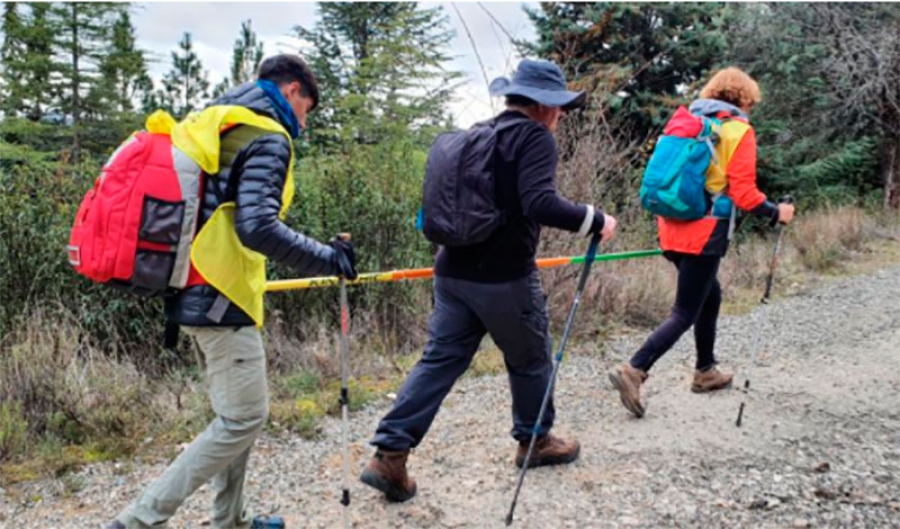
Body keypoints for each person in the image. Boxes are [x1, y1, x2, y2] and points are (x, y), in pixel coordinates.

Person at [108, 54, 357, 529]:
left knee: (235, 416)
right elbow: (257, 227)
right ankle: (138, 521)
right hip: (221, 294)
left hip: (193, 290)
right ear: (291, 92)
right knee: (242, 419)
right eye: (308, 107)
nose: (305, 120)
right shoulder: (268, 134)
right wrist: (328, 258)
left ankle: (231, 520)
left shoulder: (217, 123)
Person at [359, 59, 618, 503]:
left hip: (451, 272)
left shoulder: (474, 134)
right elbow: (541, 203)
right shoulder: (533, 136)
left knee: (439, 361)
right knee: (531, 357)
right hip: (504, 278)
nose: (559, 116)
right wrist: (595, 220)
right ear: (541, 105)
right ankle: (535, 441)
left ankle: (390, 454)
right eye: (557, 107)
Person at [608, 67, 796, 419]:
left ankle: (705, 370)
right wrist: (776, 212)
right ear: (743, 99)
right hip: (704, 232)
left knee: (711, 294)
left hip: (670, 228)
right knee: (685, 311)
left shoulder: (688, 123)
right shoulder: (738, 130)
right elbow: (744, 193)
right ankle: (634, 369)